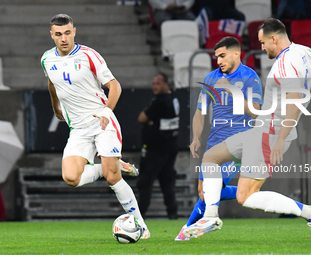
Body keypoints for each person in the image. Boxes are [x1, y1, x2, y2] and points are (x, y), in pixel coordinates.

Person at [183, 18, 311, 242]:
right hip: (263, 129)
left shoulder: (285, 64)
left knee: (246, 196)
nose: (262, 48)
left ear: (274, 38)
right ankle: (211, 216)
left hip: (271, 133)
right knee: (211, 157)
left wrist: (281, 139)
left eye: (263, 42)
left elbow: (294, 104)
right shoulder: (304, 52)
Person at [41, 14, 150, 238]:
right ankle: (114, 165)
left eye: (68, 32)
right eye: (59, 34)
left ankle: (141, 225)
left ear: (74, 31)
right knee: (71, 177)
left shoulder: (89, 55)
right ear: (52, 35)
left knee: (112, 178)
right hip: (79, 129)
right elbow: (52, 83)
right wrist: (56, 108)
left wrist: (107, 111)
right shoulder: (46, 60)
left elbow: (115, 86)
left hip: (102, 122)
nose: (64, 38)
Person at [175, 36, 263, 241]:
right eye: (216, 57)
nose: (219, 61)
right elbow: (200, 112)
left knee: (208, 193)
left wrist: (232, 91)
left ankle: (186, 232)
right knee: (203, 192)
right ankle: (249, 189)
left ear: (236, 54)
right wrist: (196, 137)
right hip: (214, 142)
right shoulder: (211, 78)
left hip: (237, 142)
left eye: (222, 56)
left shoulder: (250, 77)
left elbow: (255, 112)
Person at [137, 74, 180, 219]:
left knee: (145, 181)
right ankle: (172, 213)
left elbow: (142, 118)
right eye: (153, 83)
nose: (155, 86)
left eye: (158, 83)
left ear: (166, 84)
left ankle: (139, 214)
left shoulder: (160, 102)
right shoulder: (174, 100)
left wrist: (150, 123)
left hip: (155, 150)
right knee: (167, 182)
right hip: (170, 147)